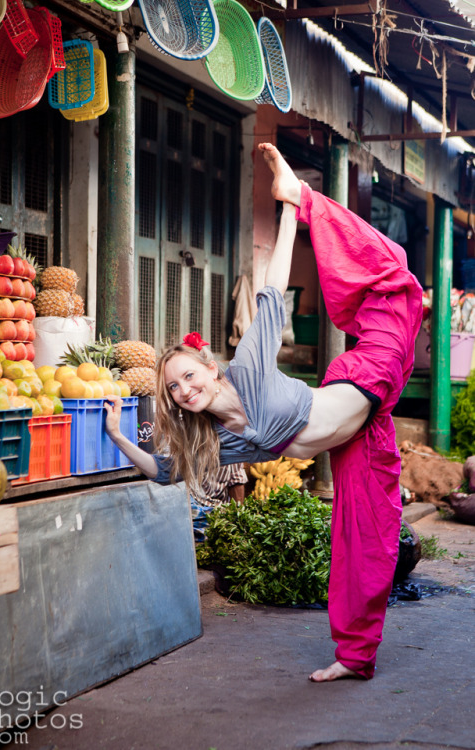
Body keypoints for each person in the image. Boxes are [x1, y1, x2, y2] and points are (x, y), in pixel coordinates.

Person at [105, 142, 423, 683]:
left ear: (209, 369)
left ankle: (302, 195)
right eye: (175, 389)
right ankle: (354, 656)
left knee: (394, 284)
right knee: (364, 537)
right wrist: (117, 435)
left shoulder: (246, 367)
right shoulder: (214, 442)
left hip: (366, 375)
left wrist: (290, 211)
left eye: (189, 376)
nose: (185, 390)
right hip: (355, 438)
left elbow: (273, 289)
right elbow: (163, 471)